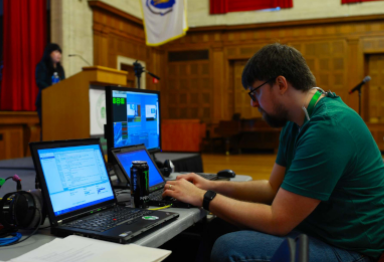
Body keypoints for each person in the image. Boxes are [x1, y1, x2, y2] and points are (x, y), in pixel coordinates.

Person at [162, 43, 384, 262]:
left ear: (280, 84)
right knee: (218, 226)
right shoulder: (296, 121)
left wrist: (203, 198)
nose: (253, 104)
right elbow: (272, 188)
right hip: (318, 229)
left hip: (351, 248)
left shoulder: (328, 127)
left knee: (229, 247)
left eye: (255, 93)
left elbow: (278, 220)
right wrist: (209, 185)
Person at [35, 43, 66, 130]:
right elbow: (40, 82)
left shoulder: (60, 69)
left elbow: (64, 83)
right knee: (46, 130)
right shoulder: (42, 66)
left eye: (60, 52)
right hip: (45, 102)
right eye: (56, 52)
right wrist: (51, 89)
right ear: (49, 53)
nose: (59, 55)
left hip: (58, 103)